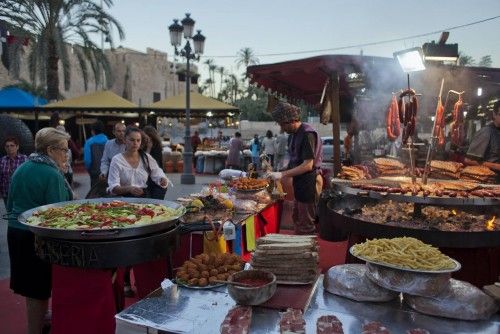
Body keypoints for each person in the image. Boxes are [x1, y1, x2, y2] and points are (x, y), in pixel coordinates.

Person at [7, 128, 72, 334]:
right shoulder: (51, 173)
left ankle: (39, 324)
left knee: (33, 290)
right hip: (37, 237)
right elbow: (60, 214)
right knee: (39, 289)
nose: (66, 154)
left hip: (16, 232)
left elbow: (9, 205)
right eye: (64, 150)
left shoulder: (23, 167)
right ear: (51, 150)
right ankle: (35, 329)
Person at [267, 102, 323, 235]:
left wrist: (282, 174)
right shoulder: (293, 135)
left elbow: (307, 165)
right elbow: (295, 161)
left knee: (306, 223)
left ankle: (307, 253)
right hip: (300, 183)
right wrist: (279, 171)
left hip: (310, 181)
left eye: (282, 124)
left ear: (291, 120)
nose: (282, 128)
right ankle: (299, 247)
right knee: (297, 217)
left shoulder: (307, 134)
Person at [107, 127, 169, 197]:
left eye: (138, 140)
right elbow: (113, 187)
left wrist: (162, 179)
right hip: (122, 200)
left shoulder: (146, 158)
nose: (135, 143)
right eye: (132, 140)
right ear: (124, 140)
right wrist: (129, 189)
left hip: (143, 198)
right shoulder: (116, 160)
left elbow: (157, 172)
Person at [464, 100, 500, 182]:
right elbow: (469, 160)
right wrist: (496, 166)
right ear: (494, 114)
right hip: (490, 182)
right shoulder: (486, 132)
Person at [0, 137, 27, 207]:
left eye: (12, 145)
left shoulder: (24, 159)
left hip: (21, 192)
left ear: (17, 147)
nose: (9, 148)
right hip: (6, 193)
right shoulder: (3, 160)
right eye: (7, 146)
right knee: (9, 213)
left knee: (20, 213)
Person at [83, 120, 108, 188]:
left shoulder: (89, 142)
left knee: (95, 193)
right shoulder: (108, 142)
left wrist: (89, 170)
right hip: (107, 173)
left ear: (93, 131)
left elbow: (87, 160)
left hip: (94, 173)